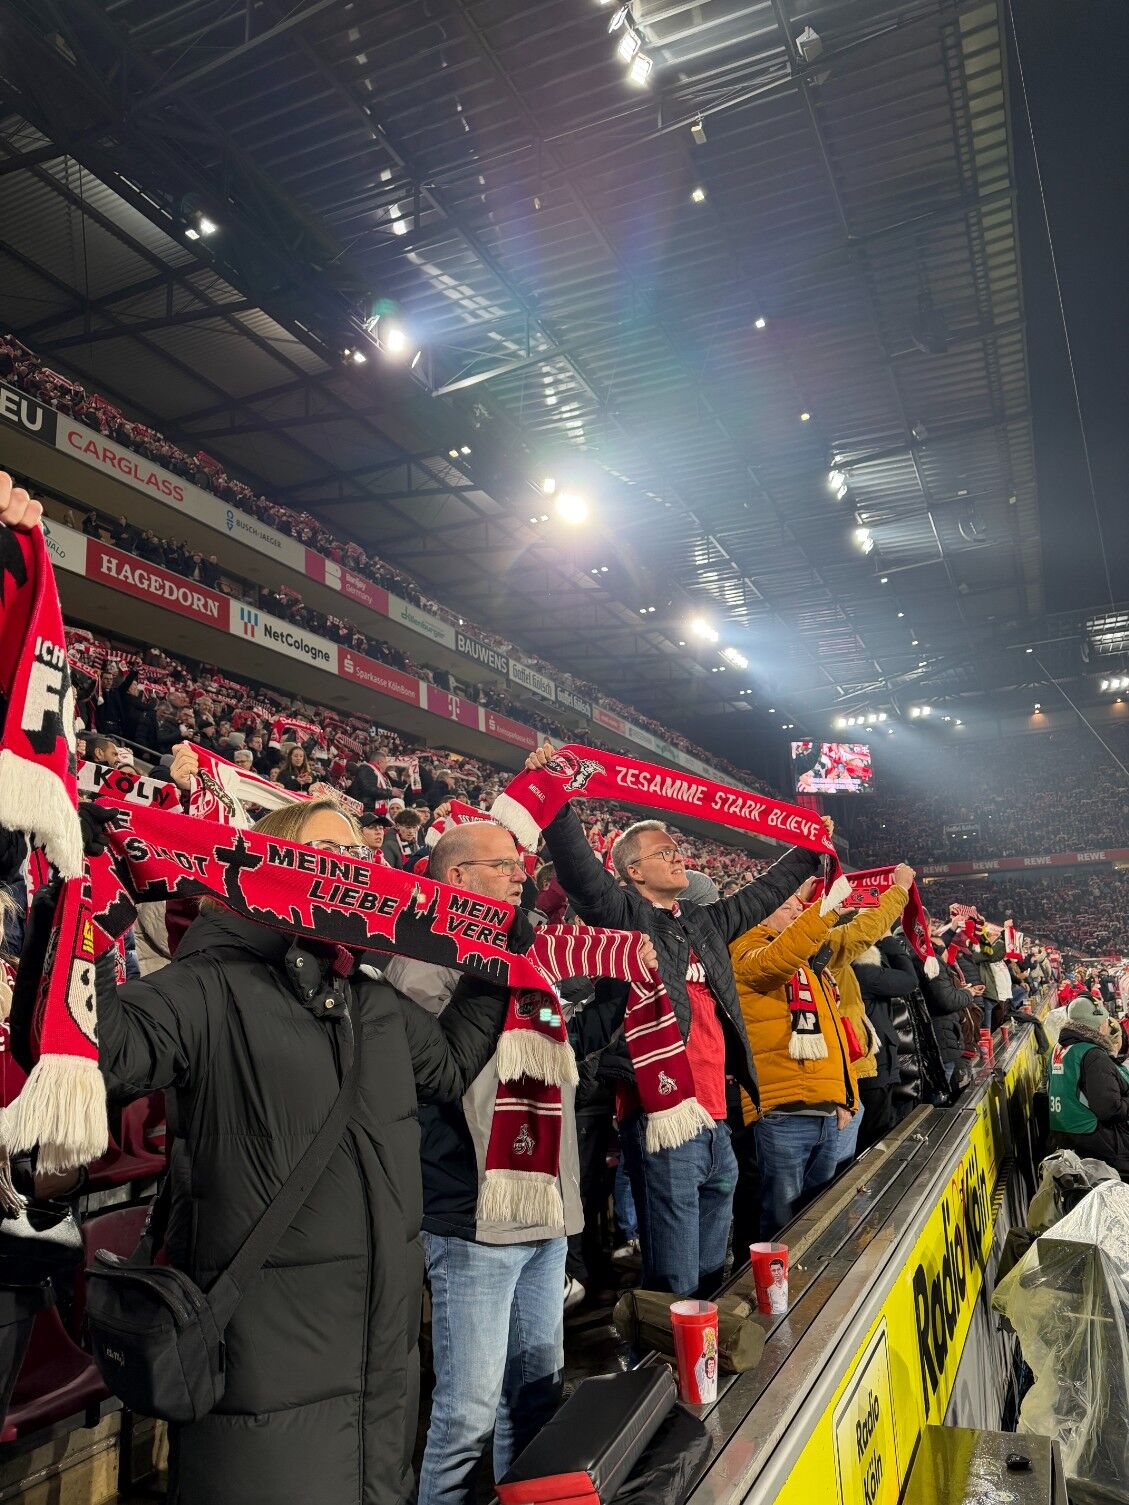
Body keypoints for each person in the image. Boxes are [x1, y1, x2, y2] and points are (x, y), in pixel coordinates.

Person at [91, 797, 513, 1505]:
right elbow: (102, 1048)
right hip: (264, 1380)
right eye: (329, 853)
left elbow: (445, 1067)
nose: (353, 868)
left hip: (380, 1384)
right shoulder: (209, 985)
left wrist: (491, 965)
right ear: (270, 863)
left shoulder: (371, 1000)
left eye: (359, 855)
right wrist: (89, 907)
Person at [391, 818, 645, 1505]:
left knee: (535, 1395)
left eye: (519, 864)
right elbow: (427, 1076)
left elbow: (561, 1057)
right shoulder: (424, 952)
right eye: (502, 864)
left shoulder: (524, 951)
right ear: (456, 876)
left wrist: (620, 990)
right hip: (474, 1213)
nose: (519, 875)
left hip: (543, 1205)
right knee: (466, 1417)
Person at [523, 740, 825, 1296]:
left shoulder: (706, 923)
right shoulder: (622, 913)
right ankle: (664, 1348)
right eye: (664, 852)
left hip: (717, 1116)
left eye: (678, 848)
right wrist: (557, 797)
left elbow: (764, 892)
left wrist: (809, 850)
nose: (678, 856)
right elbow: (580, 870)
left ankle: (705, 1348)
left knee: (714, 1268)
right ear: (633, 870)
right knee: (675, 1277)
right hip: (661, 1114)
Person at [730, 875, 858, 1238]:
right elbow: (775, 961)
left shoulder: (806, 963)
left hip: (824, 1109)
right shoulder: (744, 948)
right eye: (787, 908)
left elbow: (833, 1034)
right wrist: (825, 910)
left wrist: (845, 1097)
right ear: (759, 914)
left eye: (799, 908)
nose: (797, 914)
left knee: (818, 1217)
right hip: (782, 1112)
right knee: (781, 1224)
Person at [1048, 996, 1129, 1180]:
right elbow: (1110, 1109)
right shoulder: (1093, 1055)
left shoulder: (1058, 1050)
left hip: (1064, 1140)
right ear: (1099, 1025)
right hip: (1097, 1143)